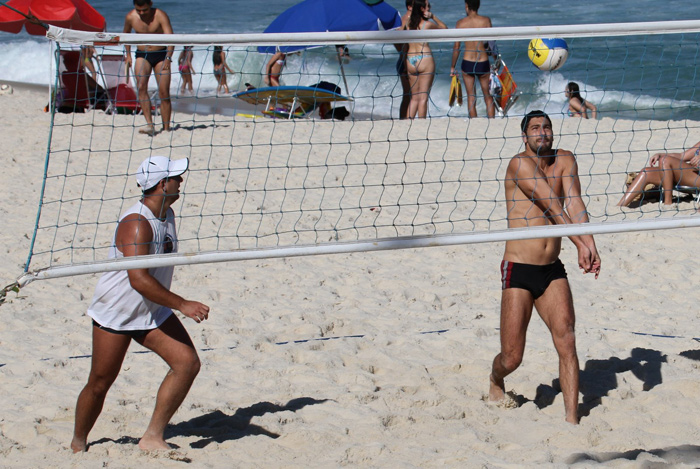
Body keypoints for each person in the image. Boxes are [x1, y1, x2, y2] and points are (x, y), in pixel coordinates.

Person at [70, 156, 210, 452]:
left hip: (152, 311)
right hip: (117, 313)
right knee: (99, 383)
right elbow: (139, 280)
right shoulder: (136, 225)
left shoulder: (167, 213)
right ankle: (78, 444)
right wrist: (183, 304)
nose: (181, 181)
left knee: (187, 364)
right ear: (162, 184)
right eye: (176, 178)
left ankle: (152, 436)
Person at [489, 110, 601, 425]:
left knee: (566, 336)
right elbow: (552, 204)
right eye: (535, 128)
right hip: (519, 270)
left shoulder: (565, 160)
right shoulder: (519, 164)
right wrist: (580, 245)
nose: (543, 132)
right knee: (512, 357)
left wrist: (591, 245)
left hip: (552, 269)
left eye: (547, 127)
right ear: (525, 136)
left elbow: (574, 203)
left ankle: (571, 418)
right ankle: (496, 378)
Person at [123, 0, 174, 136]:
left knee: (164, 92)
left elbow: (171, 38)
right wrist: (127, 55)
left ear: (150, 4)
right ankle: (149, 124)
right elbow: (125, 36)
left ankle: (166, 128)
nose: (141, 13)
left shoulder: (160, 15)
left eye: (144, 10)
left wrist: (169, 57)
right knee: (141, 87)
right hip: (142, 54)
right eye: (138, 10)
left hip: (161, 55)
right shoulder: (130, 17)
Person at [617, 141, 700, 207]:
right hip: (688, 173)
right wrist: (660, 155)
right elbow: (682, 156)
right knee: (646, 172)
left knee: (665, 160)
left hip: (697, 177)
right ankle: (620, 205)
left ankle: (668, 203)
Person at [451, 0, 495, 118]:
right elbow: (491, 44)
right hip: (482, 61)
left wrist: (452, 66)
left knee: (471, 97)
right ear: (478, 6)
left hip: (467, 62)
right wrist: (496, 60)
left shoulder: (460, 23)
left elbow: (456, 47)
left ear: (466, 6)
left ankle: (474, 124)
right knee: (488, 96)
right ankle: (492, 122)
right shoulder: (486, 20)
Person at [405, 0, 447, 119]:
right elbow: (445, 29)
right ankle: (421, 128)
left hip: (410, 59)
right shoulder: (427, 25)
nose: (429, 9)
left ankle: (406, 125)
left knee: (414, 98)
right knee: (423, 98)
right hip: (424, 58)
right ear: (422, 9)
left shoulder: (408, 24)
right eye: (427, 7)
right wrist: (433, 16)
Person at [394, 0, 412, 119]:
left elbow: (396, 42)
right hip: (407, 61)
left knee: (407, 95)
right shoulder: (412, 22)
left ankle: (403, 120)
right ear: (410, 6)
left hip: (402, 60)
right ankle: (407, 120)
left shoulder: (398, 22)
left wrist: (401, 53)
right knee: (412, 95)